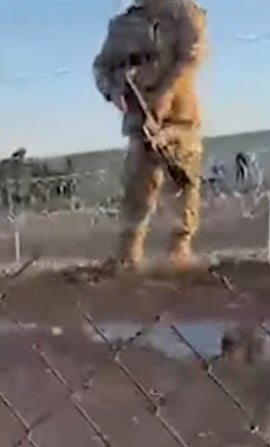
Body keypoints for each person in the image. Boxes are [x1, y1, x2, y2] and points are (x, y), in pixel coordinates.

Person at [92, 0, 208, 269]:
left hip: (179, 116)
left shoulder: (183, 11)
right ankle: (128, 255)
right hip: (139, 117)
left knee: (182, 182)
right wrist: (113, 91)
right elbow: (102, 67)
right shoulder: (123, 24)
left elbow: (192, 54)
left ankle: (179, 252)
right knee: (137, 188)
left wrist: (166, 93)